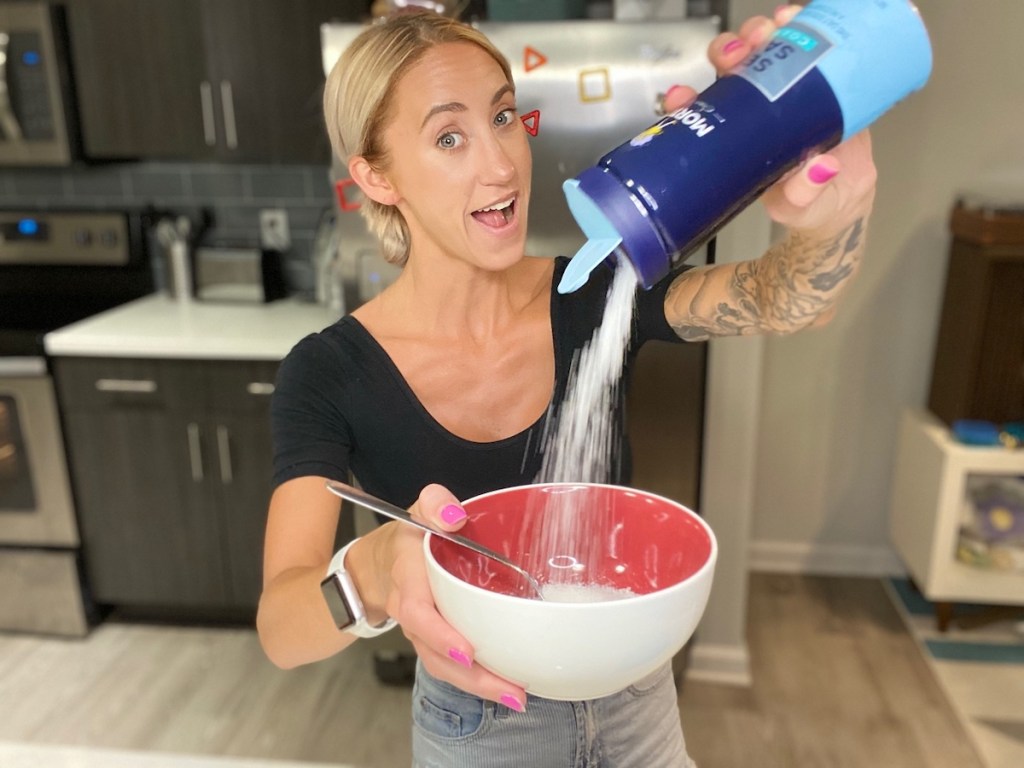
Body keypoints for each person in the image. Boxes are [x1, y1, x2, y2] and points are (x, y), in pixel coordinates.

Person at [257, 5, 876, 766]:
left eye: (504, 116)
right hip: (481, 722)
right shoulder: (329, 373)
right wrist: (373, 571)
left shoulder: (596, 290)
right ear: (376, 176)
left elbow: (787, 300)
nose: (500, 164)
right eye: (450, 137)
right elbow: (282, 630)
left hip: (638, 703)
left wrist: (838, 209)